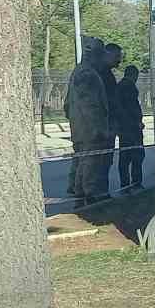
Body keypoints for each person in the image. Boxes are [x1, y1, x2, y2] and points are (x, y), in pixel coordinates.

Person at [66, 38, 113, 203]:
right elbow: (91, 105)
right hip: (89, 128)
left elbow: (67, 104)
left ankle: (80, 192)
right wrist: (98, 129)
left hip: (80, 126)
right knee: (90, 162)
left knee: (82, 160)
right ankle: (88, 195)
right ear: (95, 56)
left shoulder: (79, 72)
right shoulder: (87, 74)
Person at [116, 65, 145, 191]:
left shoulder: (119, 86)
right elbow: (132, 107)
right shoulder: (129, 87)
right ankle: (136, 182)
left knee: (125, 156)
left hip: (123, 127)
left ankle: (125, 184)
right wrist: (137, 122)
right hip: (132, 128)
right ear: (134, 75)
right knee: (137, 155)